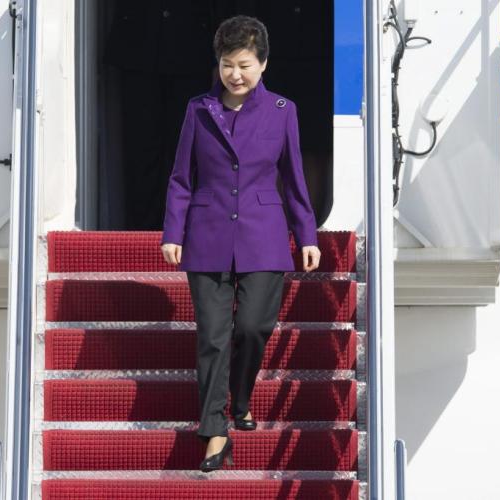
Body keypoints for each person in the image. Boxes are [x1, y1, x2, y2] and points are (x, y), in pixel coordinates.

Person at [159, 15, 321, 472]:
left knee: (251, 327)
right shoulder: (198, 109)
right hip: (207, 234)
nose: (235, 74)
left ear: (263, 64)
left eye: (245, 65)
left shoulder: (282, 111)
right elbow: (181, 177)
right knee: (213, 336)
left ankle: (242, 395)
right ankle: (214, 432)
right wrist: (173, 232)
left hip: (263, 234)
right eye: (228, 64)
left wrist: (306, 235)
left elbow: (294, 179)